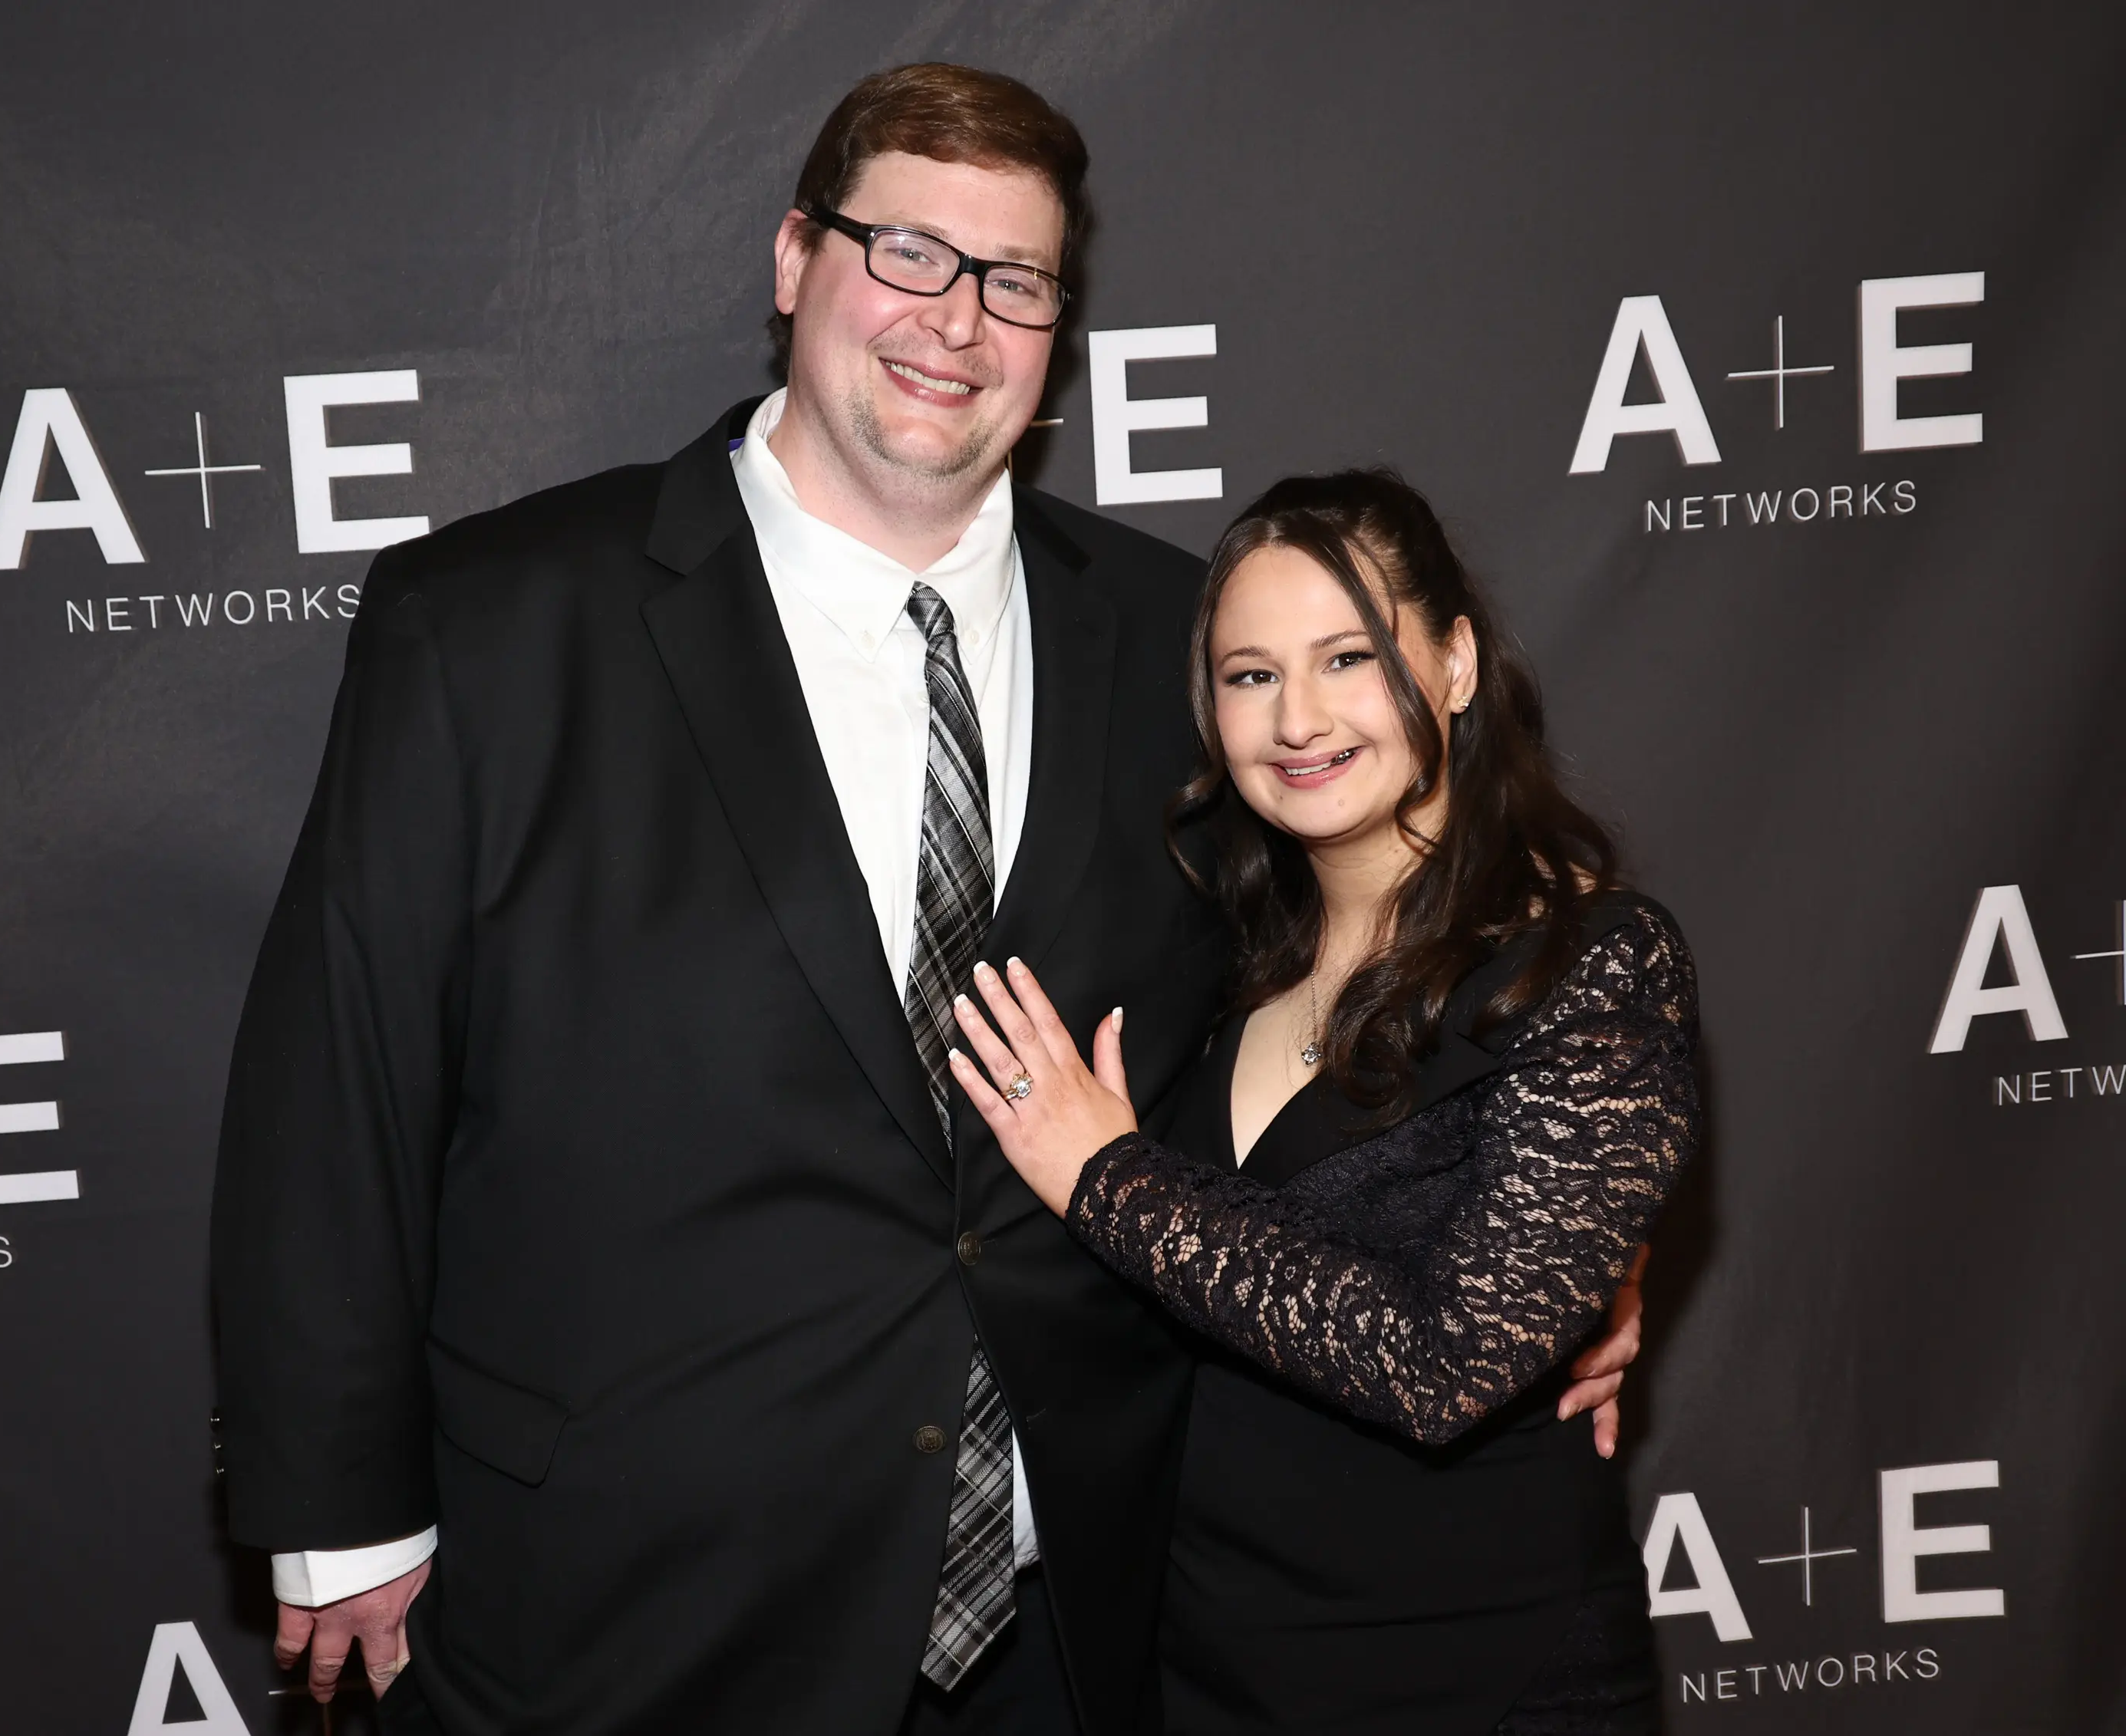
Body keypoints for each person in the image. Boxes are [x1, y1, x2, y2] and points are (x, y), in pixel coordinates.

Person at [211, 64, 1641, 1736]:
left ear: (1058, 332)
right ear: (793, 261)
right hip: (634, 1600)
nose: (955, 320)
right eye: (906, 252)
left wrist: (1562, 1219)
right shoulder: (493, 625)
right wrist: (339, 1503)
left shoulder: (1183, 643)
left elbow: (1359, 953)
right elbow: (341, 1074)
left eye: (1015, 280)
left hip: (1088, 1607)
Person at [948, 469, 1700, 1734]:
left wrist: (1107, 1174)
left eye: (1347, 656)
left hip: (1476, 1678)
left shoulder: (1588, 960)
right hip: (1200, 1670)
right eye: (1249, 675)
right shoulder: (1215, 954)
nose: (1297, 718)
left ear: (1455, 662)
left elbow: (1446, 1359)